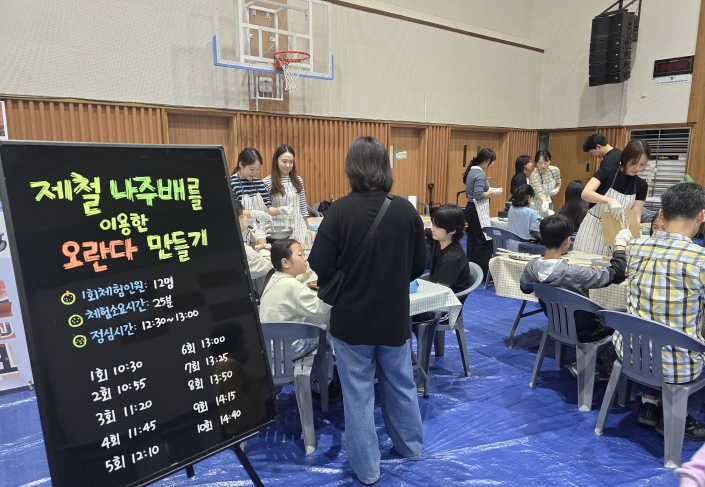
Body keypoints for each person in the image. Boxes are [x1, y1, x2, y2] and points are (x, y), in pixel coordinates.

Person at [308, 136, 427, 485]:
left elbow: (319, 263)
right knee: (401, 383)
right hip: (394, 316)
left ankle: (367, 470)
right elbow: (419, 265)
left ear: (351, 168)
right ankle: (410, 447)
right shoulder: (405, 210)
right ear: (384, 167)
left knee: (358, 395)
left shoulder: (339, 211)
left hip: (352, 320)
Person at [614, 183, 705, 440]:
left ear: (661, 214)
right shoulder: (700, 260)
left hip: (632, 354)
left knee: (651, 326)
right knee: (691, 344)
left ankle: (649, 403)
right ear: (701, 215)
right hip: (677, 366)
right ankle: (679, 416)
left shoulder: (635, 248)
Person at [520, 214, 630, 377]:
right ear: (567, 240)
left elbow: (525, 288)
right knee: (627, 318)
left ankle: (593, 364)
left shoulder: (531, 267)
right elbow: (617, 273)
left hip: (557, 325)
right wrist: (620, 245)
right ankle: (601, 365)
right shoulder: (576, 273)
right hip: (590, 331)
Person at [259, 239, 338, 401]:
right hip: (287, 350)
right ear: (285, 262)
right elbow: (319, 308)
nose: (305, 258)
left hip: (269, 348)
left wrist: (308, 270)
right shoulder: (291, 286)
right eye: (300, 255)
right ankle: (321, 387)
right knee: (325, 340)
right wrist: (335, 286)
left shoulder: (273, 278)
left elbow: (297, 282)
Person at [573, 140, 650, 255]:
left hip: (618, 233)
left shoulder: (641, 185)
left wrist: (630, 233)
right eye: (633, 163)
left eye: (642, 164)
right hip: (593, 229)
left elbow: (636, 214)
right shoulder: (607, 172)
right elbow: (586, 193)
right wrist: (610, 201)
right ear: (625, 158)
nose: (637, 168)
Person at [412, 205, 470, 324]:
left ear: (452, 230)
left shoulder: (451, 259)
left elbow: (440, 293)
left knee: (401, 313)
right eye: (433, 224)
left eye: (437, 226)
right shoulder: (440, 240)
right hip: (436, 299)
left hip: (444, 310)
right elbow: (420, 230)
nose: (432, 228)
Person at [229, 147, 293, 243]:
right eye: (252, 169)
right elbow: (233, 212)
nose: (254, 173)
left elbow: (268, 209)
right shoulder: (230, 183)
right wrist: (253, 213)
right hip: (240, 234)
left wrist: (279, 210)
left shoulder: (259, 183)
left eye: (257, 169)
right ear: (241, 164)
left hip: (261, 234)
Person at [463, 148, 500, 280]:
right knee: (483, 241)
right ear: (487, 161)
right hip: (477, 210)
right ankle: (483, 274)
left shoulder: (472, 171)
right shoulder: (479, 174)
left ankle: (472, 271)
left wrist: (490, 190)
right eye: (493, 161)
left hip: (470, 209)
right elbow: (478, 196)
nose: (493, 164)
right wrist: (493, 192)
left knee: (473, 240)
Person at [262, 145, 310, 243]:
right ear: (276, 161)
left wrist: (308, 230)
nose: (288, 165)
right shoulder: (267, 182)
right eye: (284, 161)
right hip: (278, 229)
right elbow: (265, 210)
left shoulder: (298, 180)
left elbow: (303, 208)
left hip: (298, 227)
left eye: (291, 162)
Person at [234, 200, 273, 280]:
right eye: (242, 215)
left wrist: (253, 243)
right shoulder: (243, 250)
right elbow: (267, 267)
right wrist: (262, 242)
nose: (245, 217)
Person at [529, 150, 561, 218]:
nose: (543, 166)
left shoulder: (555, 170)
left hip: (549, 203)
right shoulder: (534, 175)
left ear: (550, 160)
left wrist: (557, 189)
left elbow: (558, 183)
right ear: (536, 162)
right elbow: (539, 191)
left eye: (546, 163)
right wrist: (544, 201)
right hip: (537, 205)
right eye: (540, 163)